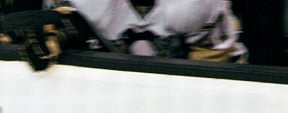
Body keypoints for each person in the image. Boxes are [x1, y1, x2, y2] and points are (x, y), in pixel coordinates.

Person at [60, 0, 247, 62]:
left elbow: (214, 79)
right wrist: (56, 36)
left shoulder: (195, 5)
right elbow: (55, 28)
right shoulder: (85, 3)